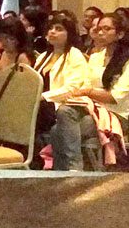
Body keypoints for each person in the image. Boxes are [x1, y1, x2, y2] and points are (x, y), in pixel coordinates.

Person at [49, 13, 129, 171]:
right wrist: (86, 92)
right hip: (91, 109)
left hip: (115, 115)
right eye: (99, 29)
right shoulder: (95, 57)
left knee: (57, 131)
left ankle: (73, 168)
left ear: (120, 34)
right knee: (63, 113)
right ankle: (66, 169)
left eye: (106, 29)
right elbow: (84, 83)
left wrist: (88, 91)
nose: (100, 33)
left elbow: (116, 97)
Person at [32, 13, 88, 143]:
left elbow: (72, 88)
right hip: (39, 104)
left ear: (69, 34)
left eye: (59, 29)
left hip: (61, 106)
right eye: (51, 28)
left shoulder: (75, 56)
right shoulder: (43, 57)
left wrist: (43, 97)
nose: (52, 32)